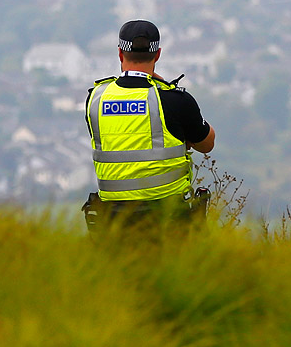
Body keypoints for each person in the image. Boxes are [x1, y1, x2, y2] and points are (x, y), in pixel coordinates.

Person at [84, 20, 215, 235]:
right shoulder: (174, 100)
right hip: (170, 220)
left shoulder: (96, 99)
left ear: (119, 53)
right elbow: (207, 143)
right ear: (158, 54)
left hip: (113, 223)